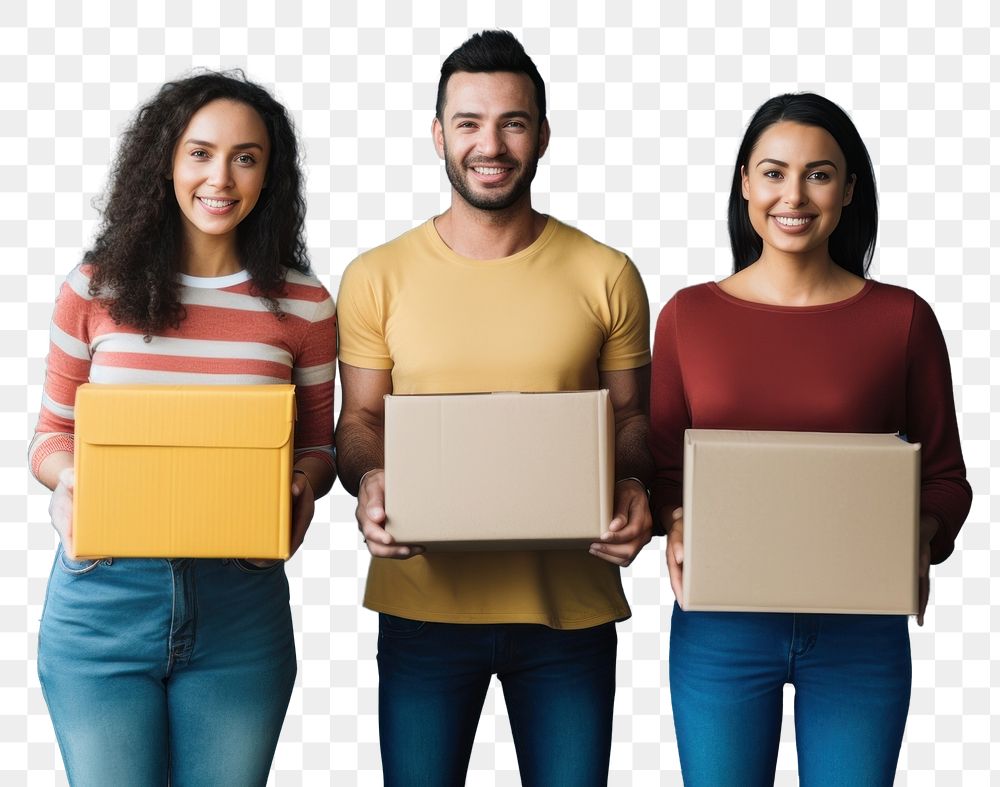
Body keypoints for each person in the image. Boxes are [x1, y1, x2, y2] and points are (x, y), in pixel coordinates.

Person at [335, 30, 653, 786]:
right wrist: (370, 480)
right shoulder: (376, 276)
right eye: (470, 122)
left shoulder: (607, 273)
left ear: (542, 134)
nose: (492, 144)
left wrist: (638, 487)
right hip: (423, 608)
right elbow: (359, 422)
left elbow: (634, 421)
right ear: (438, 135)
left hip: (569, 612)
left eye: (513, 122)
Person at [649, 93, 972, 786]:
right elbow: (662, 472)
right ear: (743, 183)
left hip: (861, 628)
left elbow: (946, 475)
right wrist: (672, 520)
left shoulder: (902, 319)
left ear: (850, 189)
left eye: (819, 174)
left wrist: (920, 530)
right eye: (773, 172)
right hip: (721, 628)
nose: (793, 194)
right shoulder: (687, 317)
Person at [29, 71, 336, 785]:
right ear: (164, 161)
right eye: (199, 153)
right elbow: (50, 436)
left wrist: (298, 488)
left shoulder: (305, 304)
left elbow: (318, 447)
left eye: (245, 157)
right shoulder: (93, 288)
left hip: (240, 603)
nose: (220, 177)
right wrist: (76, 480)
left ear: (270, 174)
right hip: (102, 600)